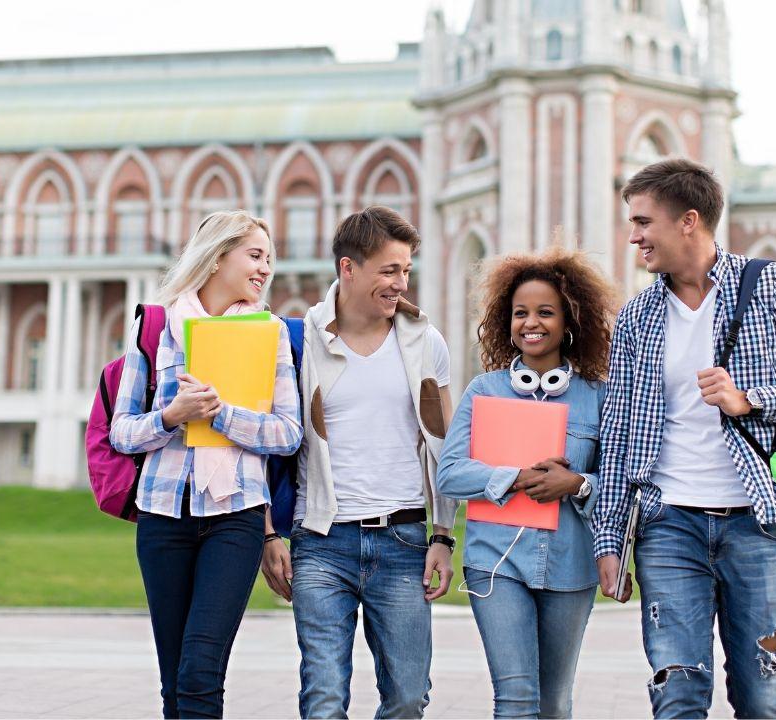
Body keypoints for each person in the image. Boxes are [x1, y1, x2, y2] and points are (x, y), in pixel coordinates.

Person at [591, 159, 776, 719]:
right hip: (668, 527)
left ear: (689, 221)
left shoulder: (770, 287)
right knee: (678, 692)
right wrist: (610, 539)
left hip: (757, 523)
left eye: (644, 222)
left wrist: (753, 398)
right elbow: (616, 436)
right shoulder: (637, 317)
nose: (634, 235)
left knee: (762, 698)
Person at [258, 205, 457, 719]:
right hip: (323, 543)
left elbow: (446, 446)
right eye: (389, 270)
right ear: (348, 268)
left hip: (405, 541)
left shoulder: (425, 342)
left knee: (409, 698)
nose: (400, 283)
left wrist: (443, 536)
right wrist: (267, 533)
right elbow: (264, 446)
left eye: (406, 270)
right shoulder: (298, 343)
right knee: (324, 698)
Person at [109, 210, 303, 719]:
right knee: (174, 678)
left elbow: (288, 433)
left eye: (270, 259)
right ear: (218, 257)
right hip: (162, 516)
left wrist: (222, 415)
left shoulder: (270, 333)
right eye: (255, 255)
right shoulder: (155, 328)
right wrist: (172, 416)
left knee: (200, 670)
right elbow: (122, 432)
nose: (265, 269)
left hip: (235, 518)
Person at [436, 248, 618, 718]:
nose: (530, 323)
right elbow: (450, 473)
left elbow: (617, 484)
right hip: (496, 564)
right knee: (515, 698)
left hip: (570, 567)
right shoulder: (483, 391)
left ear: (569, 320)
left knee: (554, 703)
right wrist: (514, 478)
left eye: (545, 312)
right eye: (520, 313)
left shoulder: (597, 396)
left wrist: (576, 484)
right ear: (505, 320)